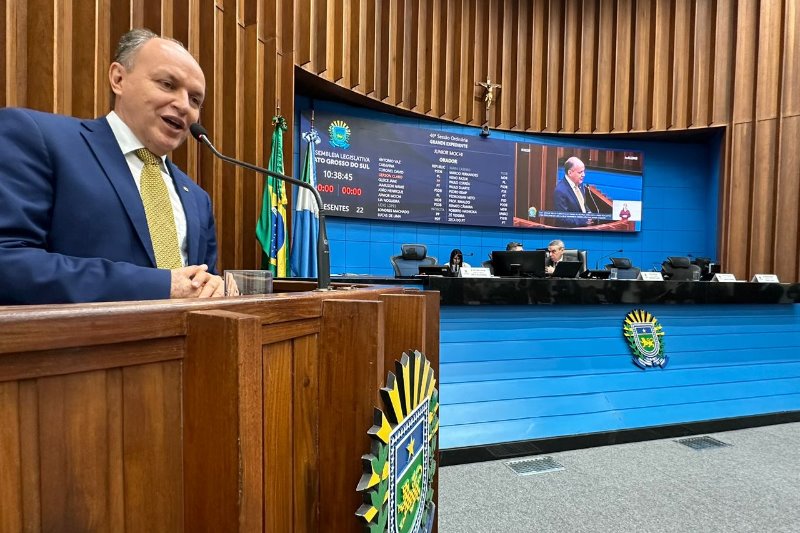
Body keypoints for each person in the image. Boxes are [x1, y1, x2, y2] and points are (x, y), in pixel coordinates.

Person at [0, 29, 223, 305]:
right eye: (167, 84)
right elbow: (8, 261)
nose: (183, 105)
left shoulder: (198, 198)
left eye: (195, 100)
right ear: (118, 79)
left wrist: (215, 286)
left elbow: (200, 282)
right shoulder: (37, 137)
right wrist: (160, 285)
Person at [552, 156, 593, 227]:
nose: (583, 175)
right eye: (580, 172)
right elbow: (562, 218)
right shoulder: (560, 191)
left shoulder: (580, 184)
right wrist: (584, 220)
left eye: (584, 171)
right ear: (570, 173)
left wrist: (589, 213)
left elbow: (582, 204)